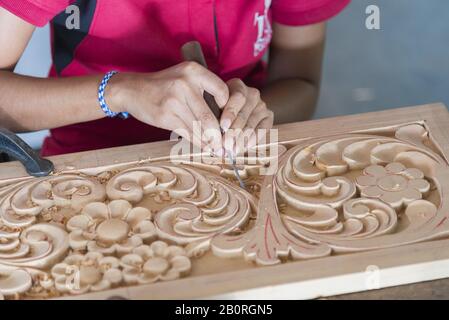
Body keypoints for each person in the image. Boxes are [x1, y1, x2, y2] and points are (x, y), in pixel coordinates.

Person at [0, 0, 350, 157]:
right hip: (92, 162)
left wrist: (251, 114)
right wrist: (120, 91)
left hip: (234, 164)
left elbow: (301, 80)